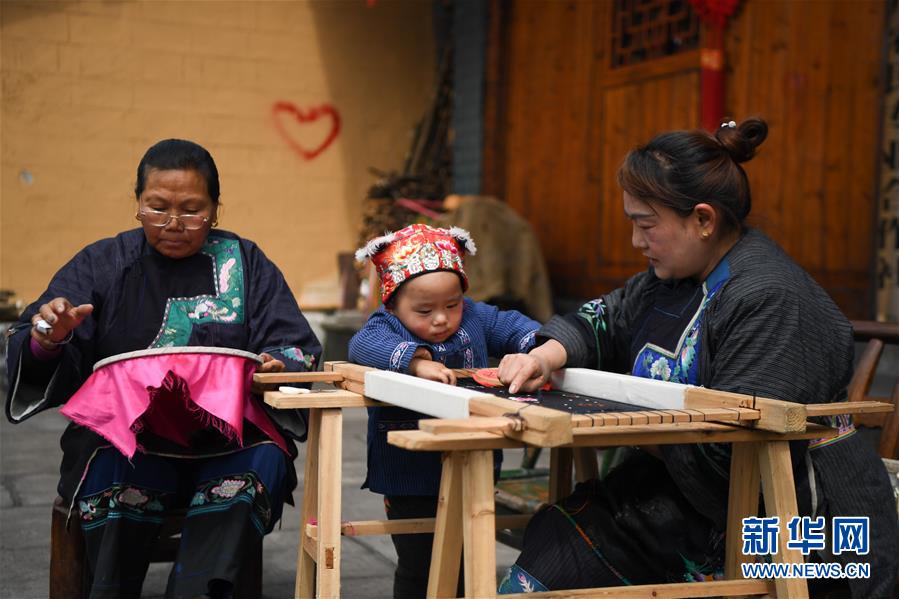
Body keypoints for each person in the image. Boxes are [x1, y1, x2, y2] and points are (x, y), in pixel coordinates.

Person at [496, 118, 899, 598]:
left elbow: (736, 456)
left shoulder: (770, 298)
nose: (635, 242)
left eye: (646, 225)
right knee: (562, 537)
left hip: (790, 528)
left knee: (576, 555)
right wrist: (547, 354)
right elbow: (606, 317)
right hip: (684, 498)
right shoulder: (668, 280)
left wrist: (624, 423)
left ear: (704, 220)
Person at [4, 139, 322, 598]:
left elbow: (296, 346)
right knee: (108, 468)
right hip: (129, 440)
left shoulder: (246, 262)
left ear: (215, 210)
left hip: (228, 442)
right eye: (157, 208)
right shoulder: (104, 262)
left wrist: (276, 363)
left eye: (192, 210)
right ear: (137, 204)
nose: (173, 224)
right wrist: (49, 339)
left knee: (264, 462)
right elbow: (39, 335)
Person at [349, 223, 541, 598]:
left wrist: (536, 352)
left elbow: (521, 327)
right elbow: (361, 346)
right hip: (410, 475)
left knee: (471, 558)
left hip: (475, 465)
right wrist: (416, 362)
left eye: (451, 305)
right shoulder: (384, 325)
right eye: (424, 310)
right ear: (393, 302)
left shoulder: (475, 317)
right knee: (419, 563)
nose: (440, 319)